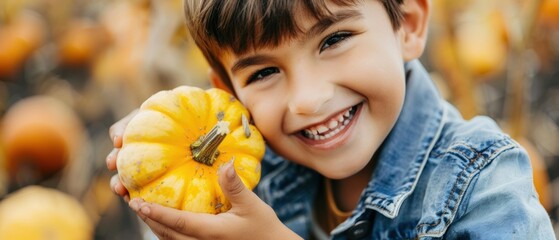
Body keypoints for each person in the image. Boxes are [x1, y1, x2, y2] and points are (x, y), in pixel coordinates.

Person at [106, 0, 556, 239]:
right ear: (228, 92)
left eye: (335, 39)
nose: (307, 99)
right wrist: (165, 155)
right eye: (263, 72)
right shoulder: (243, 178)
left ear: (410, 25)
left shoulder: (482, 183)